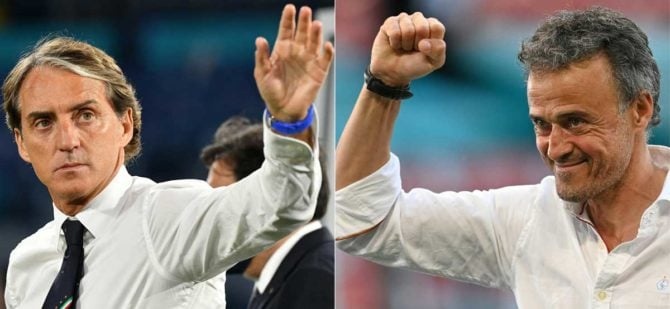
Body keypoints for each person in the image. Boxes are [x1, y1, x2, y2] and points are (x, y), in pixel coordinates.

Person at [3, 4, 333, 308]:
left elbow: (286, 203)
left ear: (125, 125)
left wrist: (290, 121)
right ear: (21, 143)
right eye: (43, 122)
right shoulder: (26, 265)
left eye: (85, 115)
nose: (67, 140)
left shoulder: (170, 216)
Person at [335, 7, 668, 308]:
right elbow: (362, 219)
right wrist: (385, 85)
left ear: (639, 110)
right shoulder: (524, 220)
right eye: (541, 124)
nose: (556, 147)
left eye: (575, 122)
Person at [199, 116, 334, 309]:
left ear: (273, 202)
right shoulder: (289, 277)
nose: (210, 220)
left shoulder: (316, 281)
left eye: (222, 204)